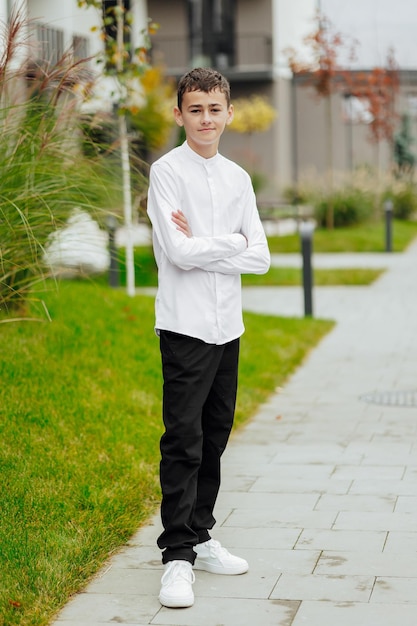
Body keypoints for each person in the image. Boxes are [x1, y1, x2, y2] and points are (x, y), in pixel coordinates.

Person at [147, 67, 270, 609]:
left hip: (229, 328)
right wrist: (231, 243)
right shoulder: (166, 173)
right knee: (184, 440)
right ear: (179, 114)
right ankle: (176, 557)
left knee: (216, 435)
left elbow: (262, 257)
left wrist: (206, 242)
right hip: (185, 326)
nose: (205, 119)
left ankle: (201, 535)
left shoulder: (239, 179)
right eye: (194, 109)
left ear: (229, 114)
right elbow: (177, 253)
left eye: (214, 109)